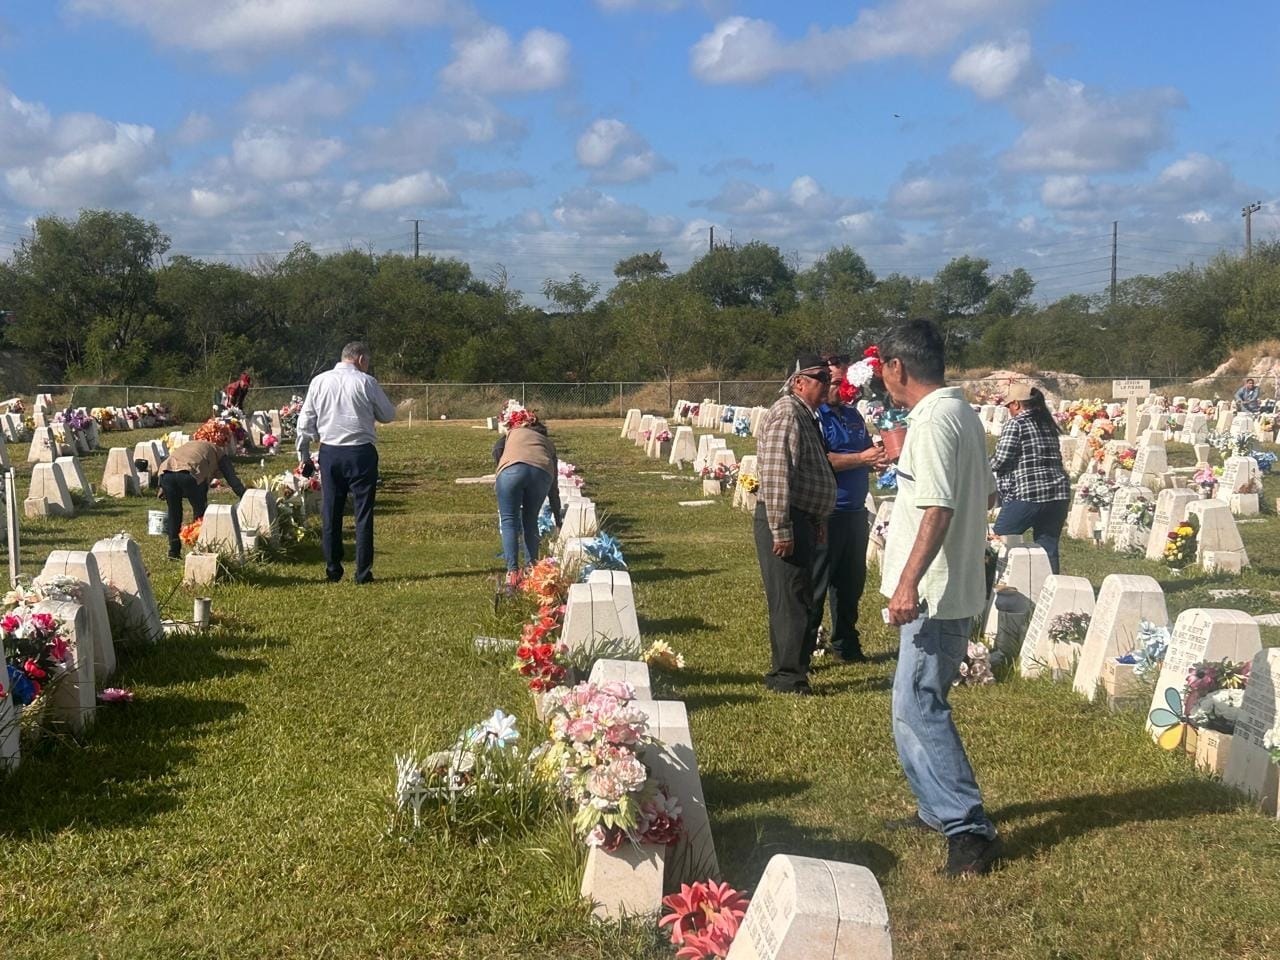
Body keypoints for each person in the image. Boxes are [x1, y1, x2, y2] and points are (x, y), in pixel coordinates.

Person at [878, 319, 1000, 877]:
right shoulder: (960, 414)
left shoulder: (932, 420)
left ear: (898, 368)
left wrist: (907, 583)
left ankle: (967, 825)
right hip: (951, 584)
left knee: (921, 704)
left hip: (934, 593)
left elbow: (938, 508)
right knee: (910, 704)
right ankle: (935, 807)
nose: (881, 378)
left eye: (884, 368)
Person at [754, 354, 837, 695]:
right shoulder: (788, 411)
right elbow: (776, 474)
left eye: (829, 379)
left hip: (801, 518)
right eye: (821, 378)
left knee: (801, 595)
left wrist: (815, 519)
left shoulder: (806, 414)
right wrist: (783, 529)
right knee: (790, 599)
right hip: (784, 519)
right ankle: (787, 677)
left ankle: (796, 669)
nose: (828, 384)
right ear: (799, 382)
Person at [805, 356, 885, 663]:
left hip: (855, 511)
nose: (844, 390)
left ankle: (846, 644)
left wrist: (878, 459)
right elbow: (821, 461)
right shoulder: (815, 416)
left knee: (851, 584)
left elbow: (864, 452)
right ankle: (804, 648)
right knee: (816, 585)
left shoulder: (852, 415)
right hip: (827, 511)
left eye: (847, 383)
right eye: (837, 383)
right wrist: (862, 459)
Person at [296, 342, 395, 584]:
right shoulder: (366, 382)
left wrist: (305, 454)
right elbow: (388, 415)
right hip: (361, 452)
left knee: (331, 510)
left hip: (330, 451)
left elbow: (305, 421)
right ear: (360, 358)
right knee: (363, 512)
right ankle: (362, 572)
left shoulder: (320, 381)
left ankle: (333, 568)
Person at [989, 384, 1072, 574]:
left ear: (1016, 404)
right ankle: (1052, 591)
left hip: (1027, 494)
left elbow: (1000, 460)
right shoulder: (1047, 423)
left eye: (1009, 406)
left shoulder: (1016, 423)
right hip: (1058, 494)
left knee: (999, 540)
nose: (1009, 411)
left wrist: (980, 465)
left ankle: (993, 586)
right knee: (1048, 547)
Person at [492, 411, 564, 582]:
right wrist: (558, 518)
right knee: (530, 521)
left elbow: (496, 449)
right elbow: (554, 488)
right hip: (541, 472)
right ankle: (532, 572)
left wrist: (500, 466)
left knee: (509, 520)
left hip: (510, 472)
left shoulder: (512, 434)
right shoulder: (548, 444)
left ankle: (512, 573)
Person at [157, 436, 246, 560]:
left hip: (166, 473)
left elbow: (173, 462)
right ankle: (199, 548)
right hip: (191, 473)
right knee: (199, 513)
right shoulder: (219, 452)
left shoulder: (190, 445)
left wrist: (162, 487)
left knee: (174, 512)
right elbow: (232, 478)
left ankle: (173, 552)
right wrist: (245, 496)